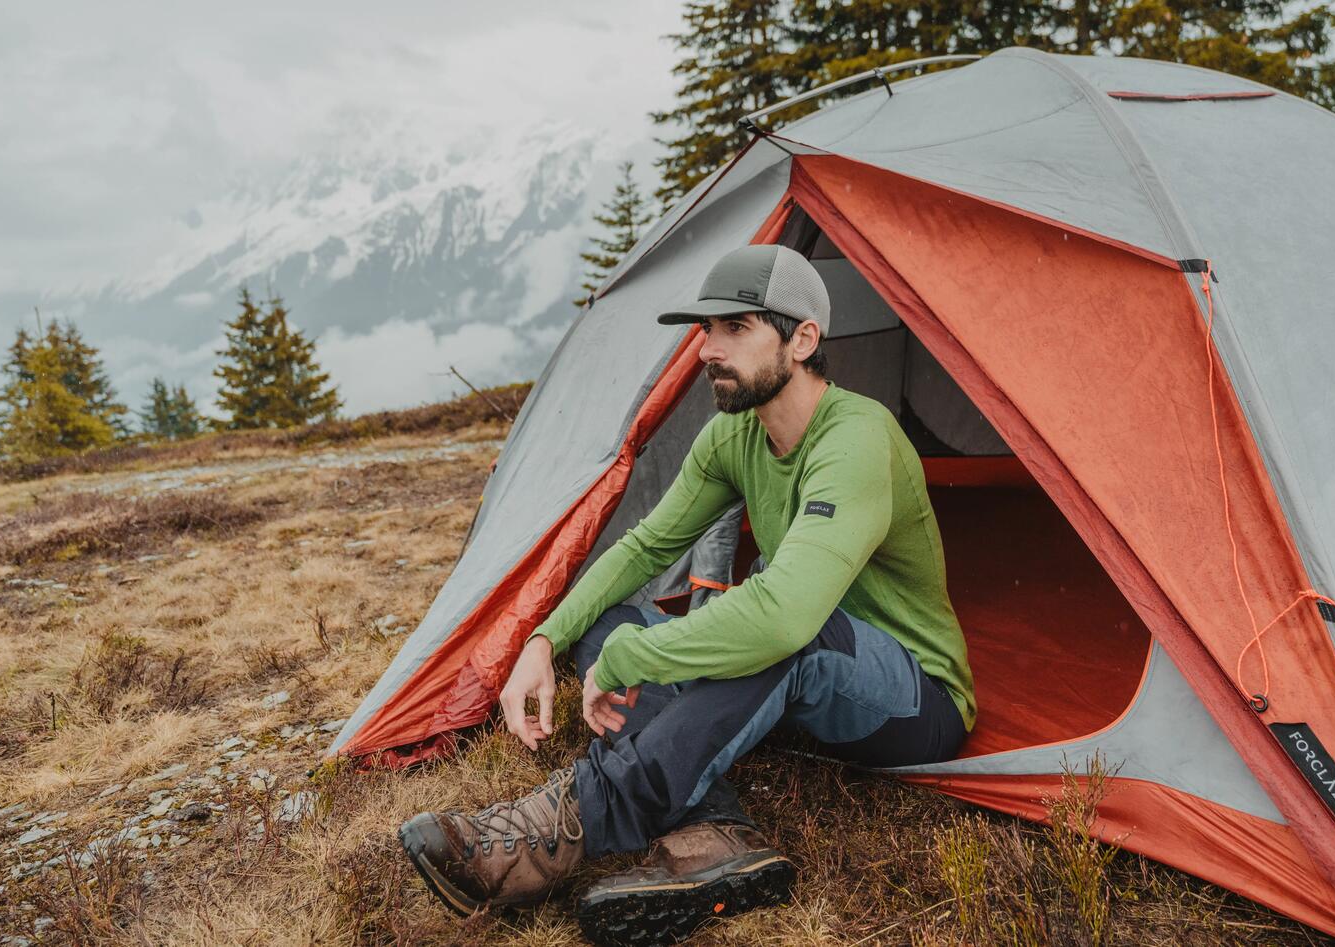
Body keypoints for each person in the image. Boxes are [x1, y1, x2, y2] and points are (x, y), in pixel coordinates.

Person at [398, 243, 977, 944]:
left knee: (782, 628)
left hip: (912, 696)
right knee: (608, 619)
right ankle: (718, 835)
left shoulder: (857, 437)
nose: (707, 348)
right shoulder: (733, 434)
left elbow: (788, 613)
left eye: (735, 328)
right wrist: (543, 639)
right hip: (792, 683)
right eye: (706, 329)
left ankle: (565, 824)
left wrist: (633, 661)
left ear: (803, 338)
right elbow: (644, 547)